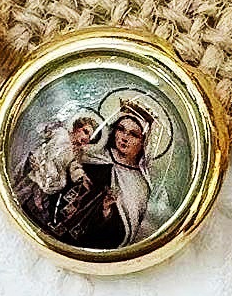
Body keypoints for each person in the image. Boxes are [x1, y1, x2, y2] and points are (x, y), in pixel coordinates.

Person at [47, 101, 156, 249]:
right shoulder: (94, 153)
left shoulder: (139, 184)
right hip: (57, 215)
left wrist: (106, 211)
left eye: (133, 134)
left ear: (144, 142)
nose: (124, 137)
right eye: (121, 129)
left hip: (91, 240)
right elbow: (62, 173)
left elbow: (123, 230)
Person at [14, 113, 100, 228]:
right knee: (24, 187)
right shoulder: (61, 133)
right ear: (77, 127)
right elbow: (42, 132)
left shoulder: (76, 153)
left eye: (90, 138)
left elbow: (74, 167)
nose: (86, 138)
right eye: (85, 131)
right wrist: (47, 128)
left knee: (56, 183)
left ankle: (33, 204)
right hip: (40, 162)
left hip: (52, 174)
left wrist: (82, 177)